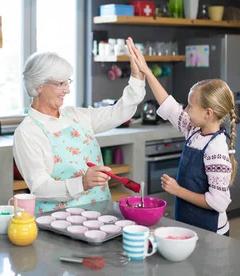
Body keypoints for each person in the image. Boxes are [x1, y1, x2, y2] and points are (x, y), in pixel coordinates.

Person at [13, 39, 145, 213]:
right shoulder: (27, 132)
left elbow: (119, 113)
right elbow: (39, 187)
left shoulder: (75, 116)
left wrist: (137, 77)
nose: (67, 90)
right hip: (58, 220)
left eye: (67, 82)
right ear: (38, 86)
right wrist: (82, 183)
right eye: (60, 84)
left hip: (100, 213)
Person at [128, 38, 237, 236]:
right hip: (189, 225)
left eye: (190, 106)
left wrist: (178, 190)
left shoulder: (216, 149)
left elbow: (218, 203)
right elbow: (169, 107)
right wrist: (146, 71)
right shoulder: (195, 131)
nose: (185, 110)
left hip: (212, 234)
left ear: (208, 113)